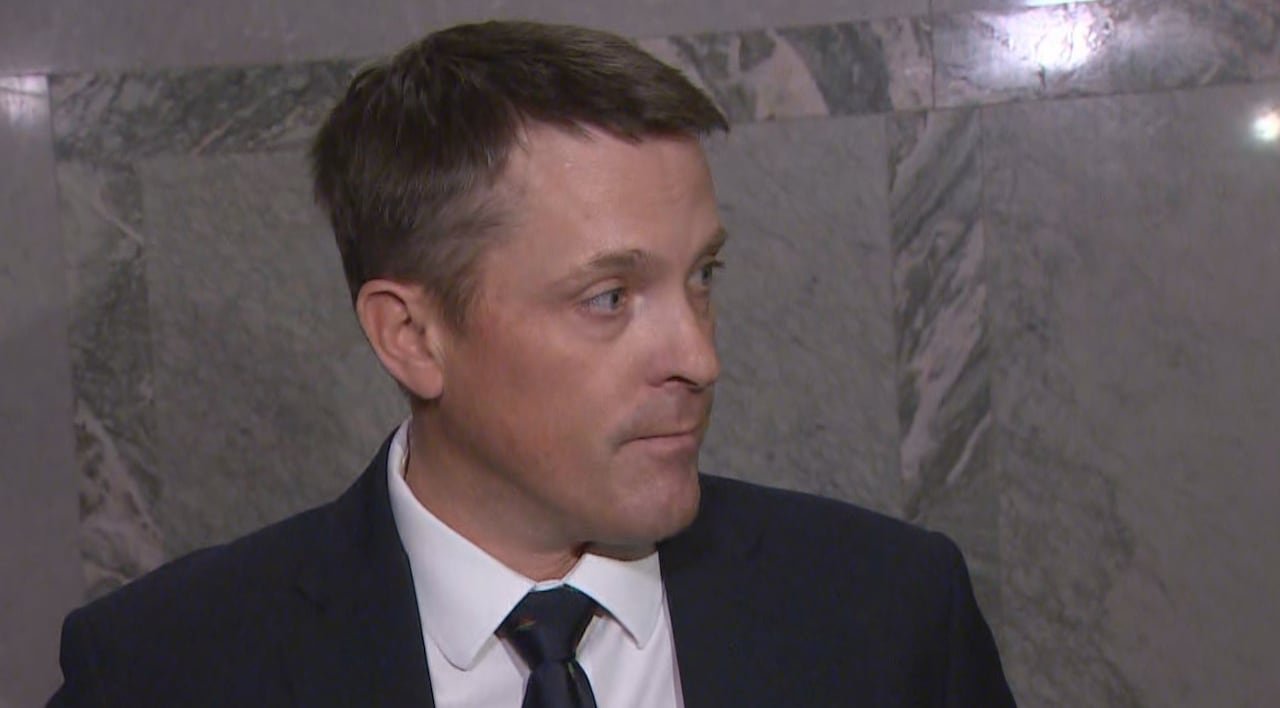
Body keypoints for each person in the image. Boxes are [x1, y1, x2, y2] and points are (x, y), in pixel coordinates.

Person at [49, 20, 1015, 707]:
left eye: (703, 276)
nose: (699, 355)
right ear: (411, 337)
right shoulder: (164, 672)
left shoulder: (889, 617)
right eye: (610, 297)